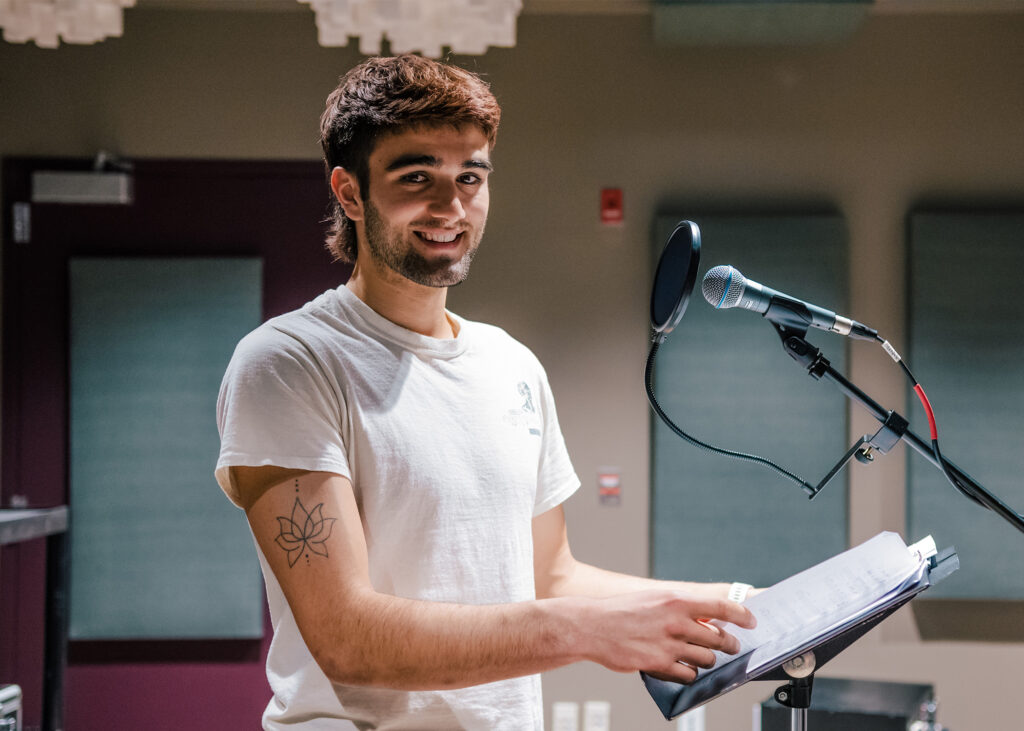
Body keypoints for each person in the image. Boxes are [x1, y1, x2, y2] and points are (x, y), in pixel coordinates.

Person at [215, 54, 756, 731]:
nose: (451, 206)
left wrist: (736, 603)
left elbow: (551, 576)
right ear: (350, 194)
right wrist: (580, 631)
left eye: (469, 177)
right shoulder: (289, 363)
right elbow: (347, 636)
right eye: (418, 177)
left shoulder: (512, 365)